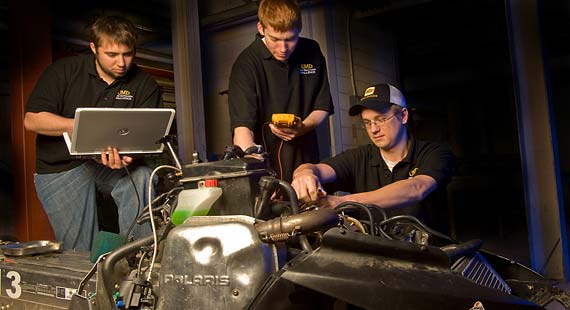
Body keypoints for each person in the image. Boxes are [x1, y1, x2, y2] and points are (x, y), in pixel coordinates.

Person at [24, 15, 162, 251]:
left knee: (143, 176)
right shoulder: (64, 71)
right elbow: (32, 120)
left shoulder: (144, 83)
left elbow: (150, 133)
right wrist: (77, 126)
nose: (122, 63)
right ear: (93, 49)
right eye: (112, 55)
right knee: (78, 249)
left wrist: (132, 155)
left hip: (110, 165)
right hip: (61, 166)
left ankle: (140, 258)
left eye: (128, 54)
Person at [291, 83, 455, 231]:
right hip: (375, 258)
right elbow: (316, 168)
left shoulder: (434, 153)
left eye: (381, 119)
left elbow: (416, 189)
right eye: (367, 122)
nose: (374, 129)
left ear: (403, 116)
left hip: (429, 257)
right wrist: (304, 174)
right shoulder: (360, 157)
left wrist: (341, 202)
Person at [228, 0, 334, 182]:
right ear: (261, 28)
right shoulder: (246, 63)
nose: (283, 49)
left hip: (307, 162)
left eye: (291, 39)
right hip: (267, 168)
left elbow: (322, 106)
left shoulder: (312, 51)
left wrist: (303, 127)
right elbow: (242, 128)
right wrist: (252, 163)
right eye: (275, 39)